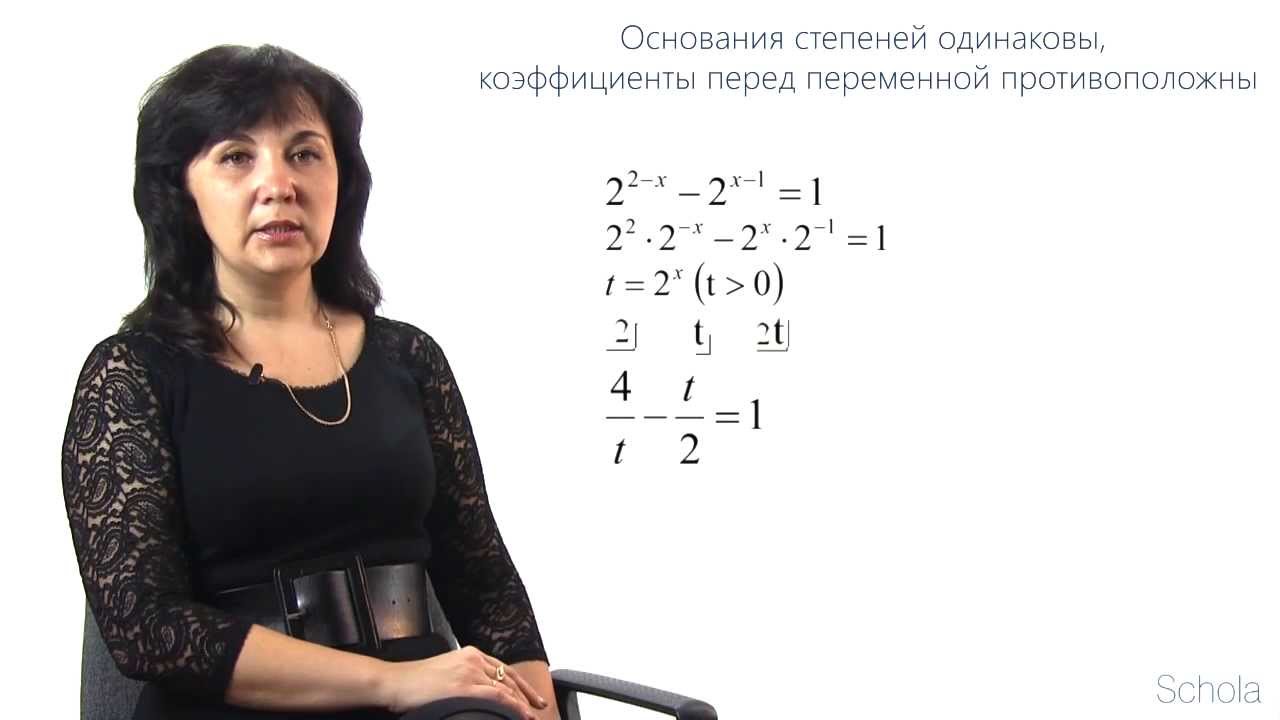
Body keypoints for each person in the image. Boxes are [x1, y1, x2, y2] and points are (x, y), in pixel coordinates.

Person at [60, 44, 557, 720]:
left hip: (431, 706)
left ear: (341, 180)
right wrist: (390, 683)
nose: (279, 184)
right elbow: (147, 629)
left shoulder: (411, 358)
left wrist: (535, 707)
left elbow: (483, 579)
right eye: (236, 157)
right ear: (182, 191)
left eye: (304, 154)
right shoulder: (132, 374)